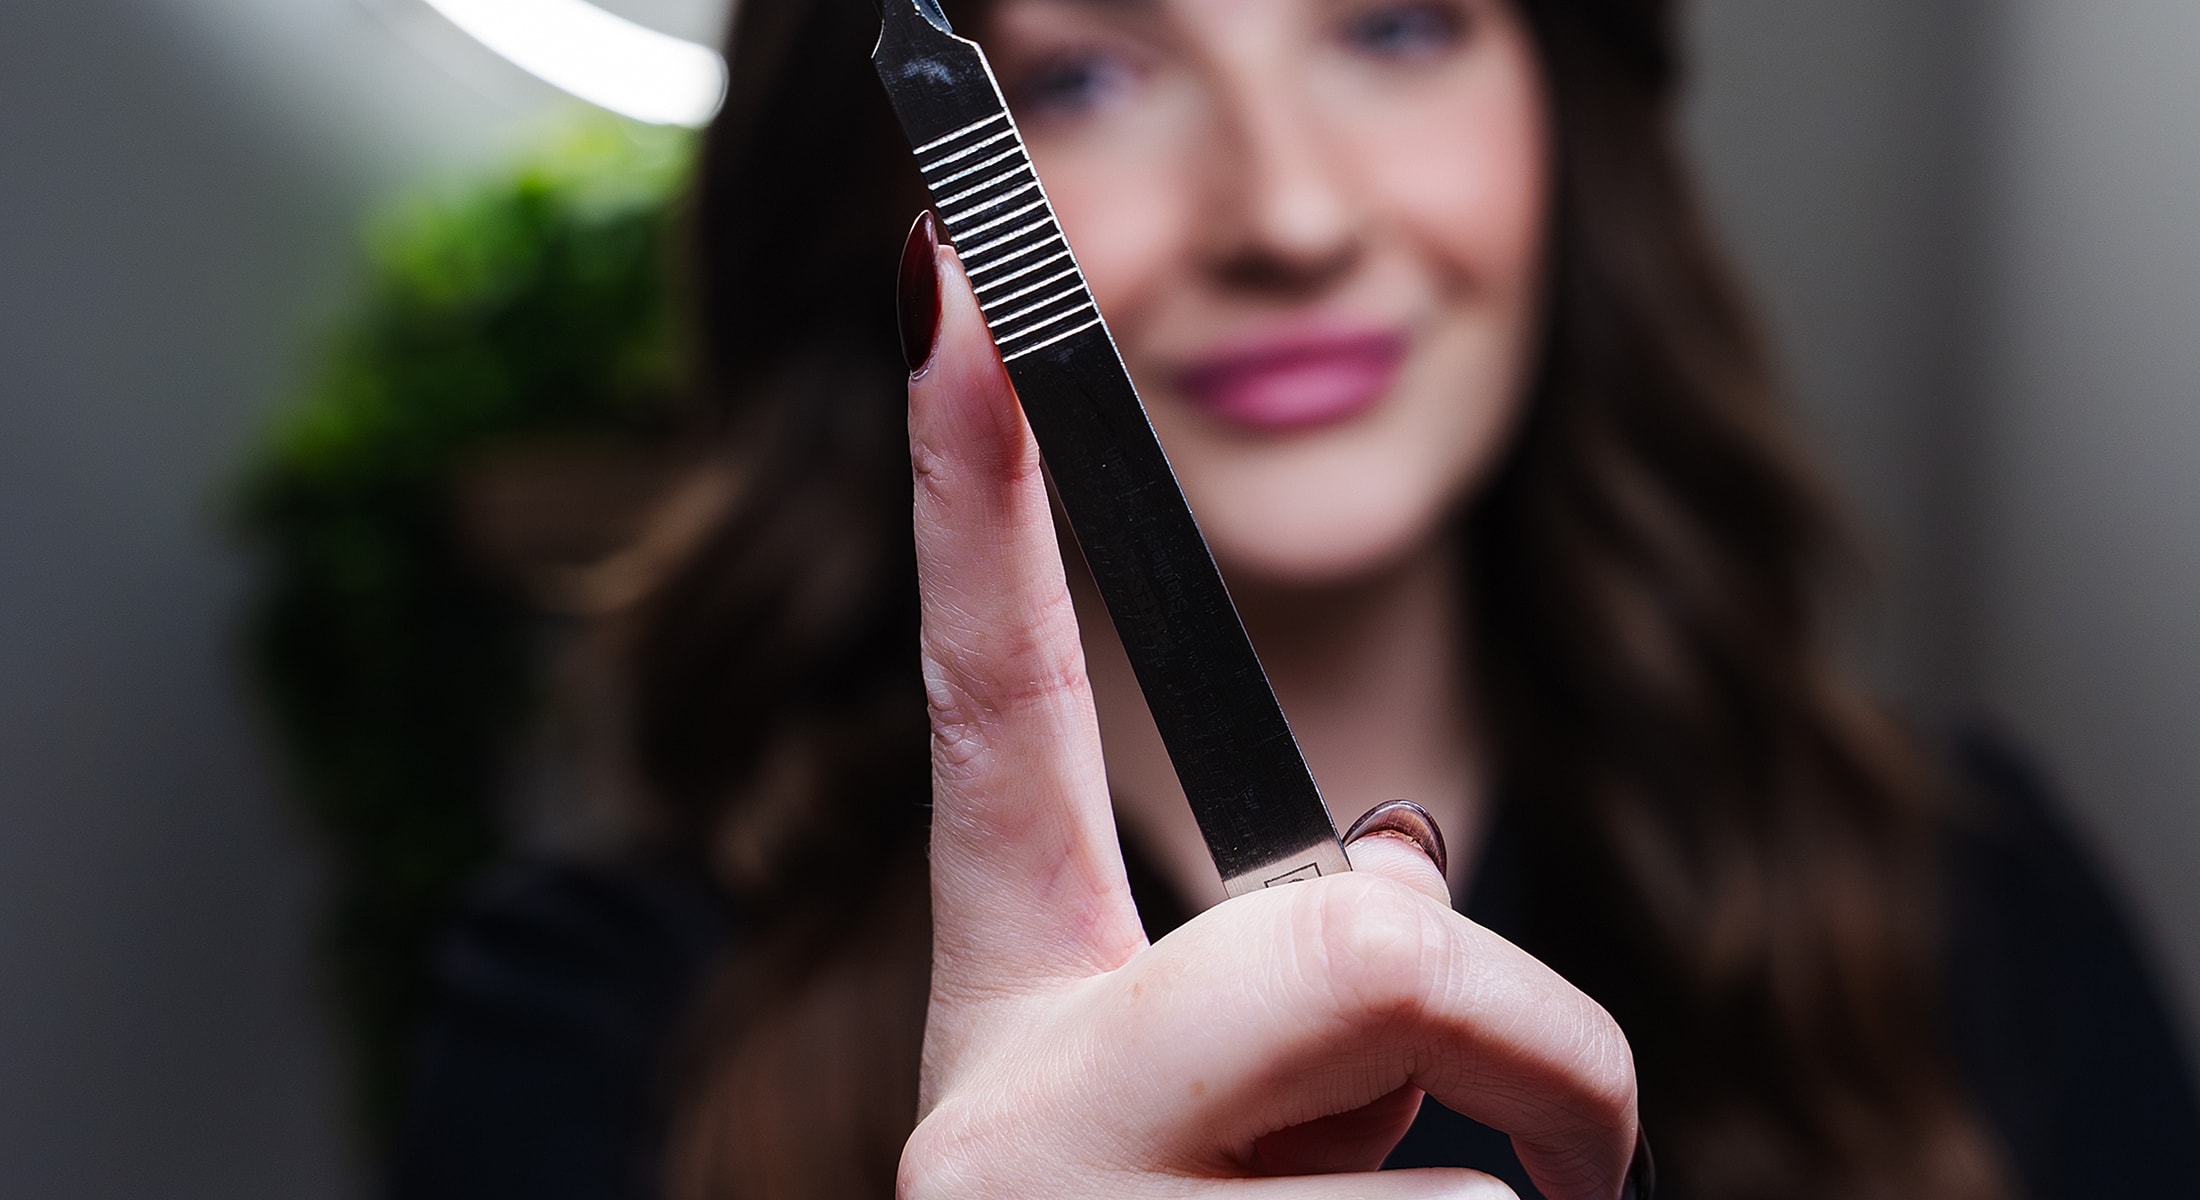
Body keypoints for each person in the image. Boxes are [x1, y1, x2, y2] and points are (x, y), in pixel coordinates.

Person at [390, 0, 2200, 1196]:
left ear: (1565, 105)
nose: (1293, 212)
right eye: (1089, 72)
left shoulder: (1976, 903)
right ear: (882, 198)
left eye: (1396, 22)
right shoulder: (595, 1020)